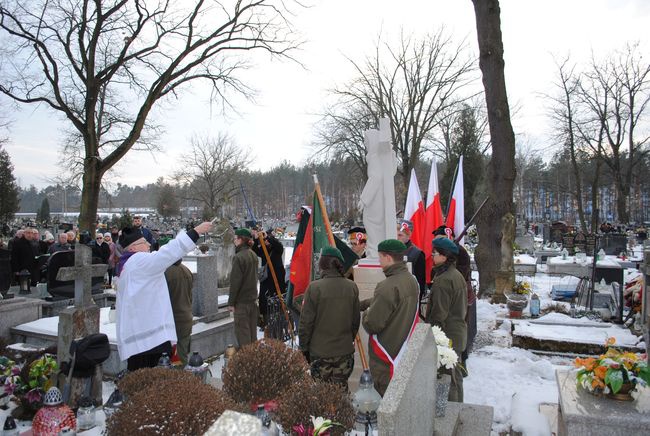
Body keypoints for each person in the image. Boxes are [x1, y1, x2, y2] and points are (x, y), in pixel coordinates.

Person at [114, 220, 213, 371]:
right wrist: (196, 232)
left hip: (141, 338)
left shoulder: (128, 265)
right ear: (133, 248)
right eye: (143, 242)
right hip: (149, 342)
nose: (148, 244)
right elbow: (167, 253)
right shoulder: (139, 261)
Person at [361, 239, 419, 396]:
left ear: (387, 257)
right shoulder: (411, 280)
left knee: (385, 401)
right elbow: (396, 302)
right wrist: (367, 303)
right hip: (402, 348)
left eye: (380, 257)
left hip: (386, 356)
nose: (379, 262)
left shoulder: (387, 286)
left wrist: (366, 312)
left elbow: (372, 324)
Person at [299, 246, 360, 388]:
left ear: (322, 264)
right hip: (344, 352)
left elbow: (306, 324)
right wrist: (346, 339)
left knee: (323, 395)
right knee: (341, 391)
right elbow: (355, 321)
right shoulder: (351, 286)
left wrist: (304, 349)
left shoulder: (315, 288)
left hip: (320, 353)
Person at [425, 237, 467, 402]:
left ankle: (452, 412)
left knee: (449, 379)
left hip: (447, 337)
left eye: (434, 253)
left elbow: (439, 315)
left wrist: (433, 337)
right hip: (457, 333)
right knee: (456, 377)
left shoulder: (443, 280)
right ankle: (458, 409)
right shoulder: (455, 275)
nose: (432, 255)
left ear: (444, 256)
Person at [432, 225, 475, 360]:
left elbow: (463, 272)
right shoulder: (444, 268)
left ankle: (462, 361)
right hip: (453, 293)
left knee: (458, 333)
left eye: (441, 239)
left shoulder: (459, 253)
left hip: (459, 296)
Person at [228, 228, 259, 348]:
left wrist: (231, 303)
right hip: (252, 300)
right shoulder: (253, 254)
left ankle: (248, 364)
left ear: (241, 240)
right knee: (252, 335)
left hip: (242, 303)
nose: (234, 241)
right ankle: (254, 362)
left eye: (235, 238)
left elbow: (235, 282)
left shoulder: (239, 257)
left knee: (244, 337)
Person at [252, 229, 286, 328]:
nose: (266, 242)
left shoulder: (277, 249)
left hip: (277, 279)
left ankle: (280, 322)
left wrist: (267, 237)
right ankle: (266, 322)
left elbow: (278, 246)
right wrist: (256, 239)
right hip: (266, 280)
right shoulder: (264, 250)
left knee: (277, 301)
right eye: (265, 240)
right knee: (264, 300)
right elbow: (255, 251)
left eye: (267, 240)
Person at [165, 256, 194, 366]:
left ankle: (178, 379)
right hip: (186, 316)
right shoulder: (186, 270)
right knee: (182, 352)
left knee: (176, 356)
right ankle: (181, 378)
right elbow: (190, 296)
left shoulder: (165, 273)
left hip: (173, 319)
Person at [396, 219, 426, 300]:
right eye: (395, 235)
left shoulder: (417, 254)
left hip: (410, 297)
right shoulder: (392, 251)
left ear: (408, 236)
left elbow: (420, 282)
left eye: (400, 235)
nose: (397, 238)